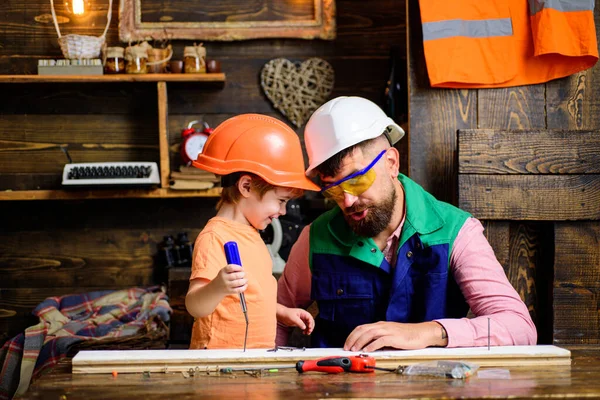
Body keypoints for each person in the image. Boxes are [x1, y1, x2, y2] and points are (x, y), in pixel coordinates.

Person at [276, 96, 537, 351]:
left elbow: (518, 327)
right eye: (333, 190)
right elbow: (274, 318)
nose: (347, 200)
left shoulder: (456, 231)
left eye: (357, 181)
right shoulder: (315, 238)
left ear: (391, 163)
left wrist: (428, 332)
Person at [185, 114, 319, 349]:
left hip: (255, 360)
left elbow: (249, 297)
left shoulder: (251, 234)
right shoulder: (215, 237)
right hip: (220, 367)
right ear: (246, 186)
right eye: (280, 200)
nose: (283, 211)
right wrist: (217, 286)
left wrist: (281, 312)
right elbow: (194, 305)